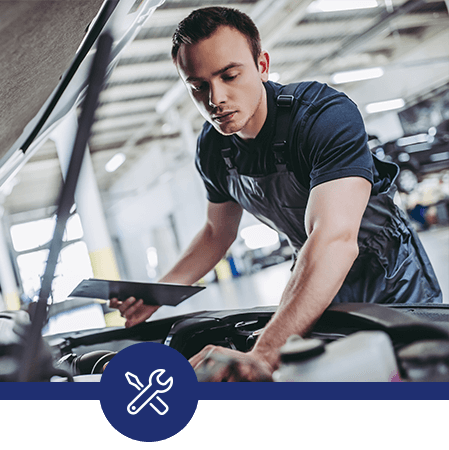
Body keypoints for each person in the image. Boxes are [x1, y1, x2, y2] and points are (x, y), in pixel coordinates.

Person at [109, 6, 442, 381]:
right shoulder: (214, 149)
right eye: (197, 86)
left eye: (230, 75)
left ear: (262, 65)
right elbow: (217, 233)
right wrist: (159, 291)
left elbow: (335, 239)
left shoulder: (322, 118)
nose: (215, 98)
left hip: (391, 278)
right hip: (313, 274)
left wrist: (264, 352)